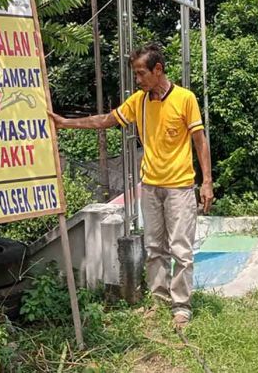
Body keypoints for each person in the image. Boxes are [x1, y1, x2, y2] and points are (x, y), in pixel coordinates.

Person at [49, 43, 213, 330]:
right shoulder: (139, 102)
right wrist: (66, 123)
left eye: (141, 74)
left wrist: (207, 182)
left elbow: (200, 141)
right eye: (135, 74)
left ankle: (181, 307)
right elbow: (106, 120)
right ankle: (159, 299)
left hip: (180, 188)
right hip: (149, 186)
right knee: (153, 247)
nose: (137, 80)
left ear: (158, 69)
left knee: (181, 250)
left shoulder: (185, 99)